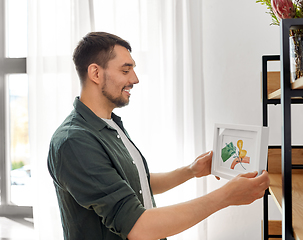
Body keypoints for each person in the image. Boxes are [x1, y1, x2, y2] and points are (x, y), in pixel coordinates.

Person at [47, 31, 270, 240]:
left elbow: (136, 182)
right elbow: (137, 225)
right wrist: (225, 197)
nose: (134, 79)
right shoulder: (74, 142)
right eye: (125, 70)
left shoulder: (109, 124)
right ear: (95, 73)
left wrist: (191, 171)